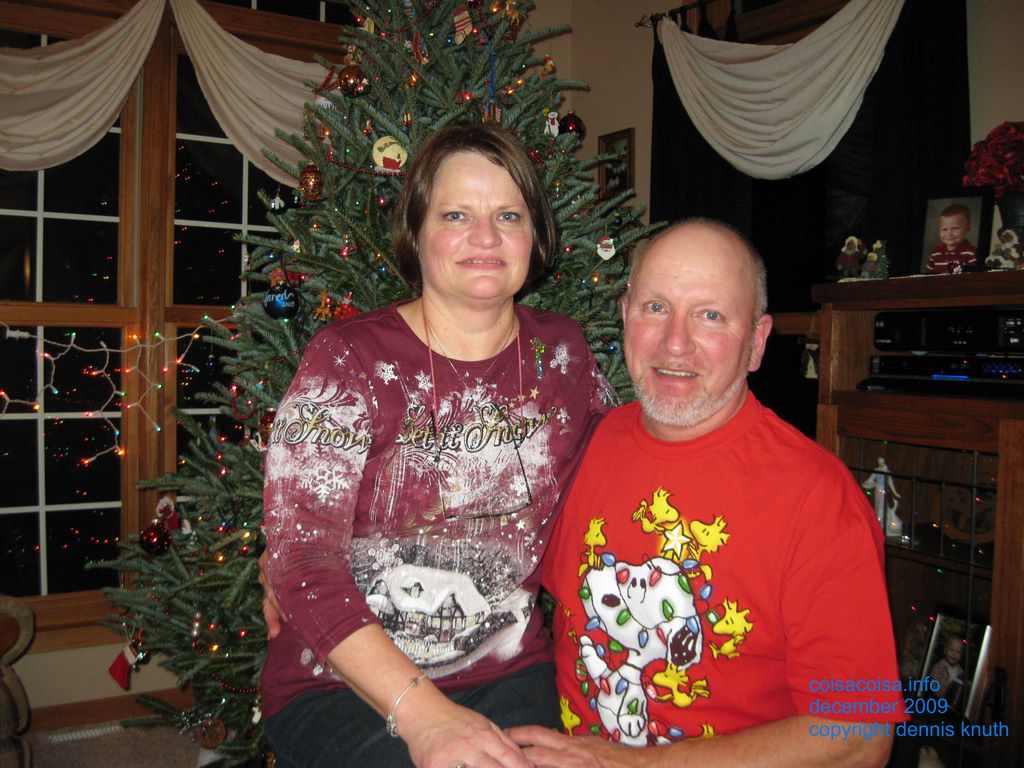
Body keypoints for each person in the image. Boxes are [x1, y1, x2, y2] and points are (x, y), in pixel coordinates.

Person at [259, 122, 612, 768]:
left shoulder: (563, 354)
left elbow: (625, 469)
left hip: (509, 673)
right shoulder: (346, 360)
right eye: (456, 214)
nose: (485, 237)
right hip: (342, 686)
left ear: (535, 236)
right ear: (416, 232)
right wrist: (426, 719)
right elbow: (303, 562)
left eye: (508, 214)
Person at [508, 219, 905, 767]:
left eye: (710, 315)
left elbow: (861, 734)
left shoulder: (818, 500)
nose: (676, 342)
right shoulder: (582, 447)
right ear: (624, 317)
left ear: (757, 342)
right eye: (655, 308)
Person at [925, 203, 977, 273]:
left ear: (967, 228)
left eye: (955, 228)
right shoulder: (936, 253)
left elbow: (975, 277)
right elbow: (928, 275)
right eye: (944, 229)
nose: (949, 234)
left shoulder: (972, 253)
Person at [930, 633, 964, 701]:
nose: (954, 654)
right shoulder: (939, 666)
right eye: (951, 650)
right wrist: (940, 697)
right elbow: (933, 684)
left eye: (958, 652)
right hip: (936, 701)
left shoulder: (960, 671)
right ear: (945, 650)